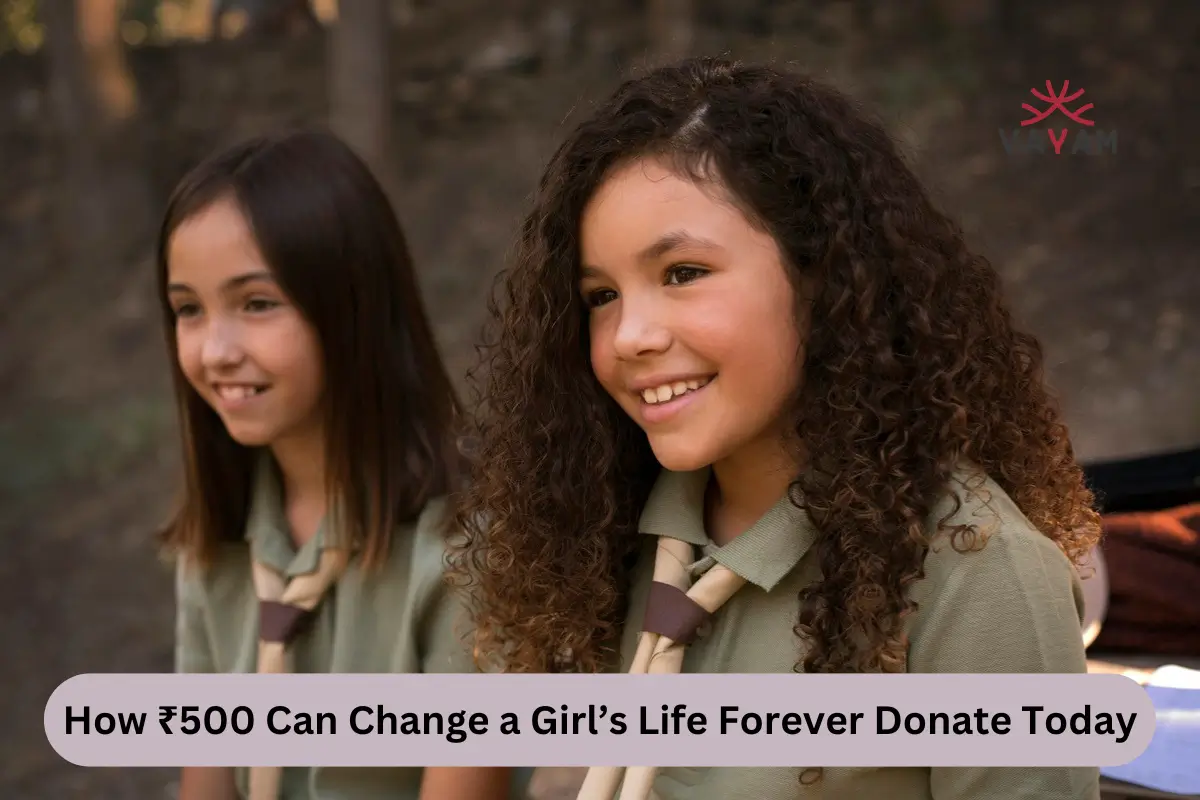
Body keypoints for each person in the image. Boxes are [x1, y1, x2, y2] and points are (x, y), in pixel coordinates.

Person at [449, 57, 1104, 799]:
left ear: (824, 276)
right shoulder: (605, 538)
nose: (630, 334)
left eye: (683, 273)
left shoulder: (978, 570)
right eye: (601, 295)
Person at [157, 128, 515, 800]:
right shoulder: (216, 544)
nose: (215, 351)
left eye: (257, 303)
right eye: (187, 310)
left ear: (352, 308)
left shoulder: (470, 546)